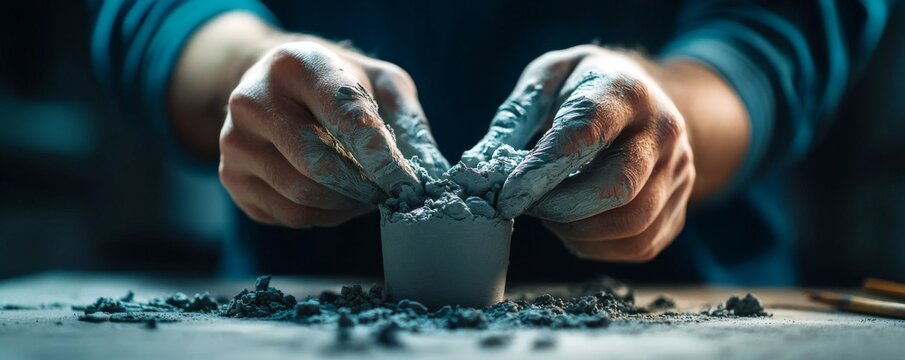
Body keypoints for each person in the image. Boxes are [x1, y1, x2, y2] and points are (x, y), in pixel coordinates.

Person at [90, 0, 895, 284]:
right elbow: (156, 14)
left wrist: (664, 112)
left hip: (671, 295)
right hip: (294, 307)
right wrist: (245, 69)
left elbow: (777, 42)